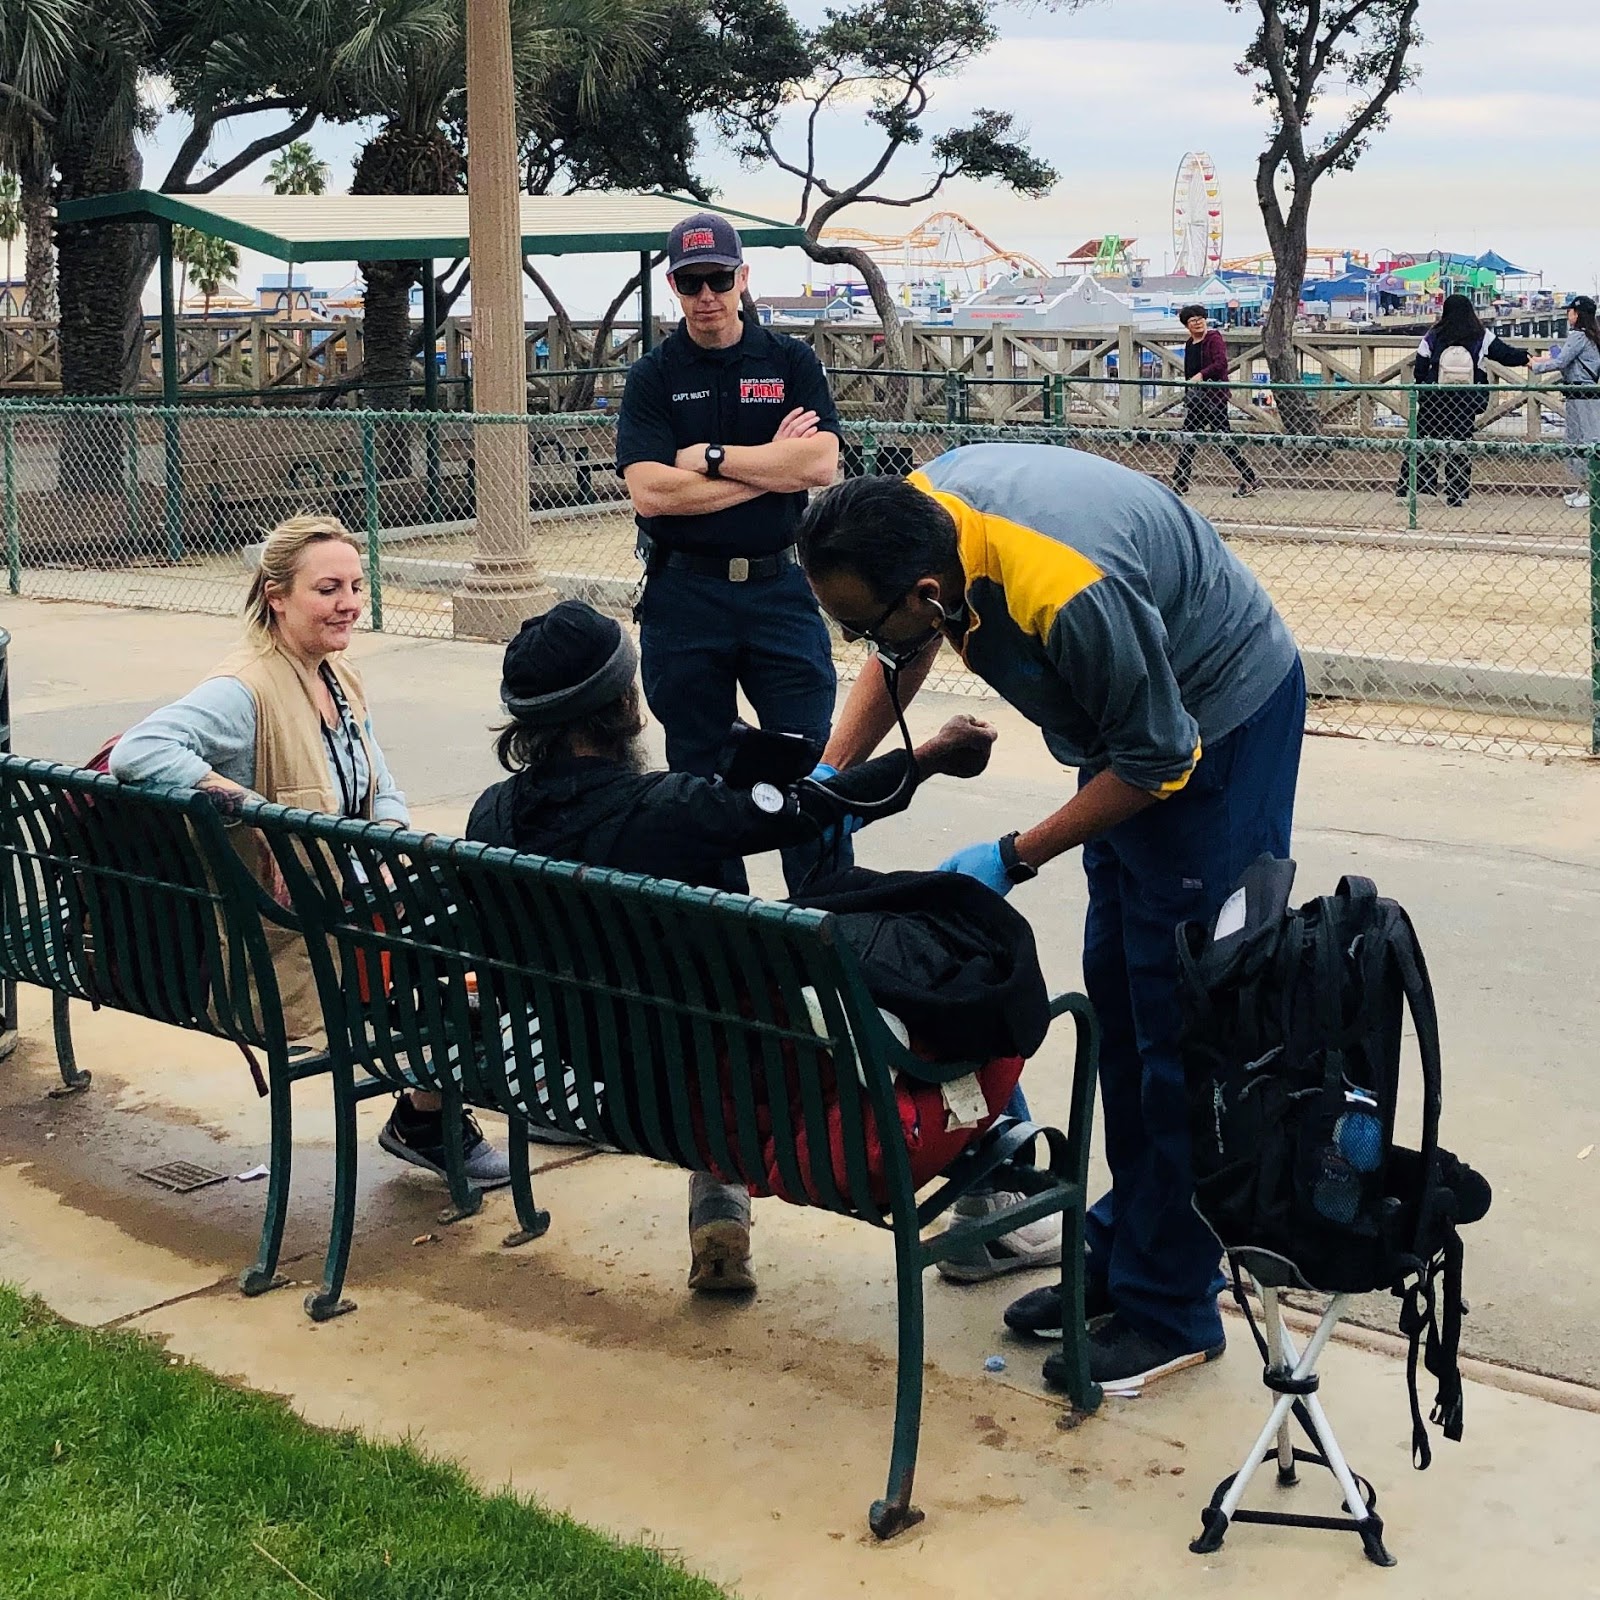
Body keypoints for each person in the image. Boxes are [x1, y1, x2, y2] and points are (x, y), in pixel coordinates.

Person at [796, 444, 1306, 1391]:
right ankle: (1121, 1252)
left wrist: (1013, 856)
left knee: (1183, 1029)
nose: (869, 641)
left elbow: (1161, 761)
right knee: (1120, 997)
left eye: (867, 620)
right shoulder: (915, 522)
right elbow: (894, 654)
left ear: (926, 593)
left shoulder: (1064, 589)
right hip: (1132, 727)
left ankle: (1174, 1309)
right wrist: (831, 781)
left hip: (1218, 727)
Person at [465, 600, 998, 1291]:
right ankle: (996, 1192)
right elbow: (812, 808)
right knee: (953, 962)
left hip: (588, 1074)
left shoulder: (491, 813)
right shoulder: (669, 810)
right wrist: (928, 756)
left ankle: (718, 1196)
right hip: (710, 1083)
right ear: (623, 704)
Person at [111, 515, 511, 1190]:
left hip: (349, 904)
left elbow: (382, 787)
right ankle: (429, 1114)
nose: (348, 602)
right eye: (327, 588)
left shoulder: (338, 677)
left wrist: (386, 841)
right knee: (495, 946)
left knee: (492, 923)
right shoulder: (245, 688)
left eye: (355, 585)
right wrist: (250, 812)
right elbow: (138, 752)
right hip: (302, 944)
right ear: (277, 596)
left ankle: (428, 1109)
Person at [616, 212, 842, 895]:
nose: (706, 295)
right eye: (691, 282)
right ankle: (727, 938)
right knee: (696, 776)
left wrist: (711, 460)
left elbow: (822, 464)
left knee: (805, 760)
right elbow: (651, 493)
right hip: (686, 598)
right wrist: (771, 467)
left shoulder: (789, 362)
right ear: (674, 286)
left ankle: (824, 922)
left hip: (780, 593)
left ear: (743, 278)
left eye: (718, 278)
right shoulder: (654, 376)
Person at [1396, 293, 1532, 507]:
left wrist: (1424, 387)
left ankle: (1414, 485)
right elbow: (1505, 354)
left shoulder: (1434, 334)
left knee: (1423, 441)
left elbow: (1421, 366)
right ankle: (1456, 493)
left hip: (1435, 399)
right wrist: (1527, 358)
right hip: (1465, 399)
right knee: (1460, 444)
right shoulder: (1480, 335)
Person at [1171, 306, 1256, 500]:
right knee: (1188, 440)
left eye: (1201, 318)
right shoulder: (1190, 343)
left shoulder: (1214, 338)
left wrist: (1201, 376)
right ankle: (1180, 481)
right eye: (1193, 320)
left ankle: (1250, 478)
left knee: (1224, 441)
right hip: (1196, 399)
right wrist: (1189, 392)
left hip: (1214, 399)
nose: (1198, 322)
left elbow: (1221, 364)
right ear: (1187, 325)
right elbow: (1188, 371)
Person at [1531, 295, 1600, 510]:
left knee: (1582, 441)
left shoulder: (1577, 336)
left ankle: (1591, 491)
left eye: (1569, 311)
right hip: (1585, 394)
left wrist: (1536, 366)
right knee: (1582, 439)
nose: (1567, 314)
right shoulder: (1590, 336)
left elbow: (1561, 361)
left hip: (1580, 395)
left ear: (1577, 314)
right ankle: (1585, 489)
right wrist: (1543, 360)